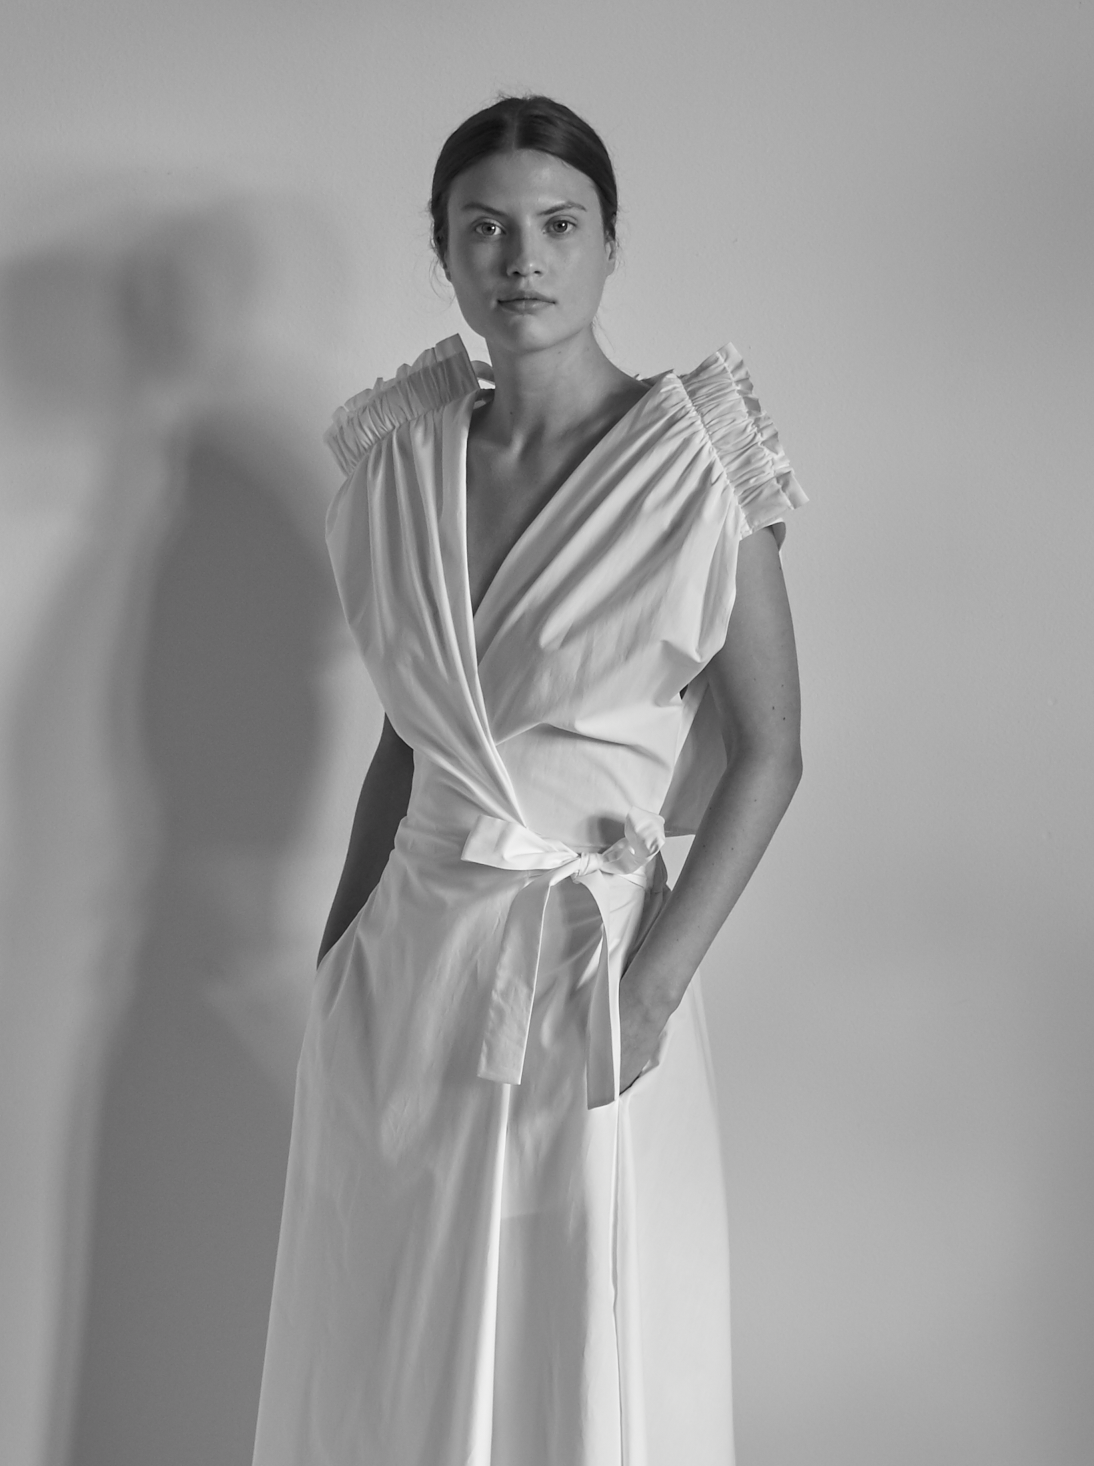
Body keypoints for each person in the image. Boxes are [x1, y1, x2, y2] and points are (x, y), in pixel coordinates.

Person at [252, 94, 806, 1466]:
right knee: (393, 1335)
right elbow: (411, 735)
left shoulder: (696, 465)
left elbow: (771, 749)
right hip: (410, 965)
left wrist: (654, 987)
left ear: (611, 239)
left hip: (588, 966)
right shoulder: (401, 466)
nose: (522, 260)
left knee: (580, 1326)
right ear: (443, 250)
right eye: (483, 229)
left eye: (558, 224)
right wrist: (340, 951)